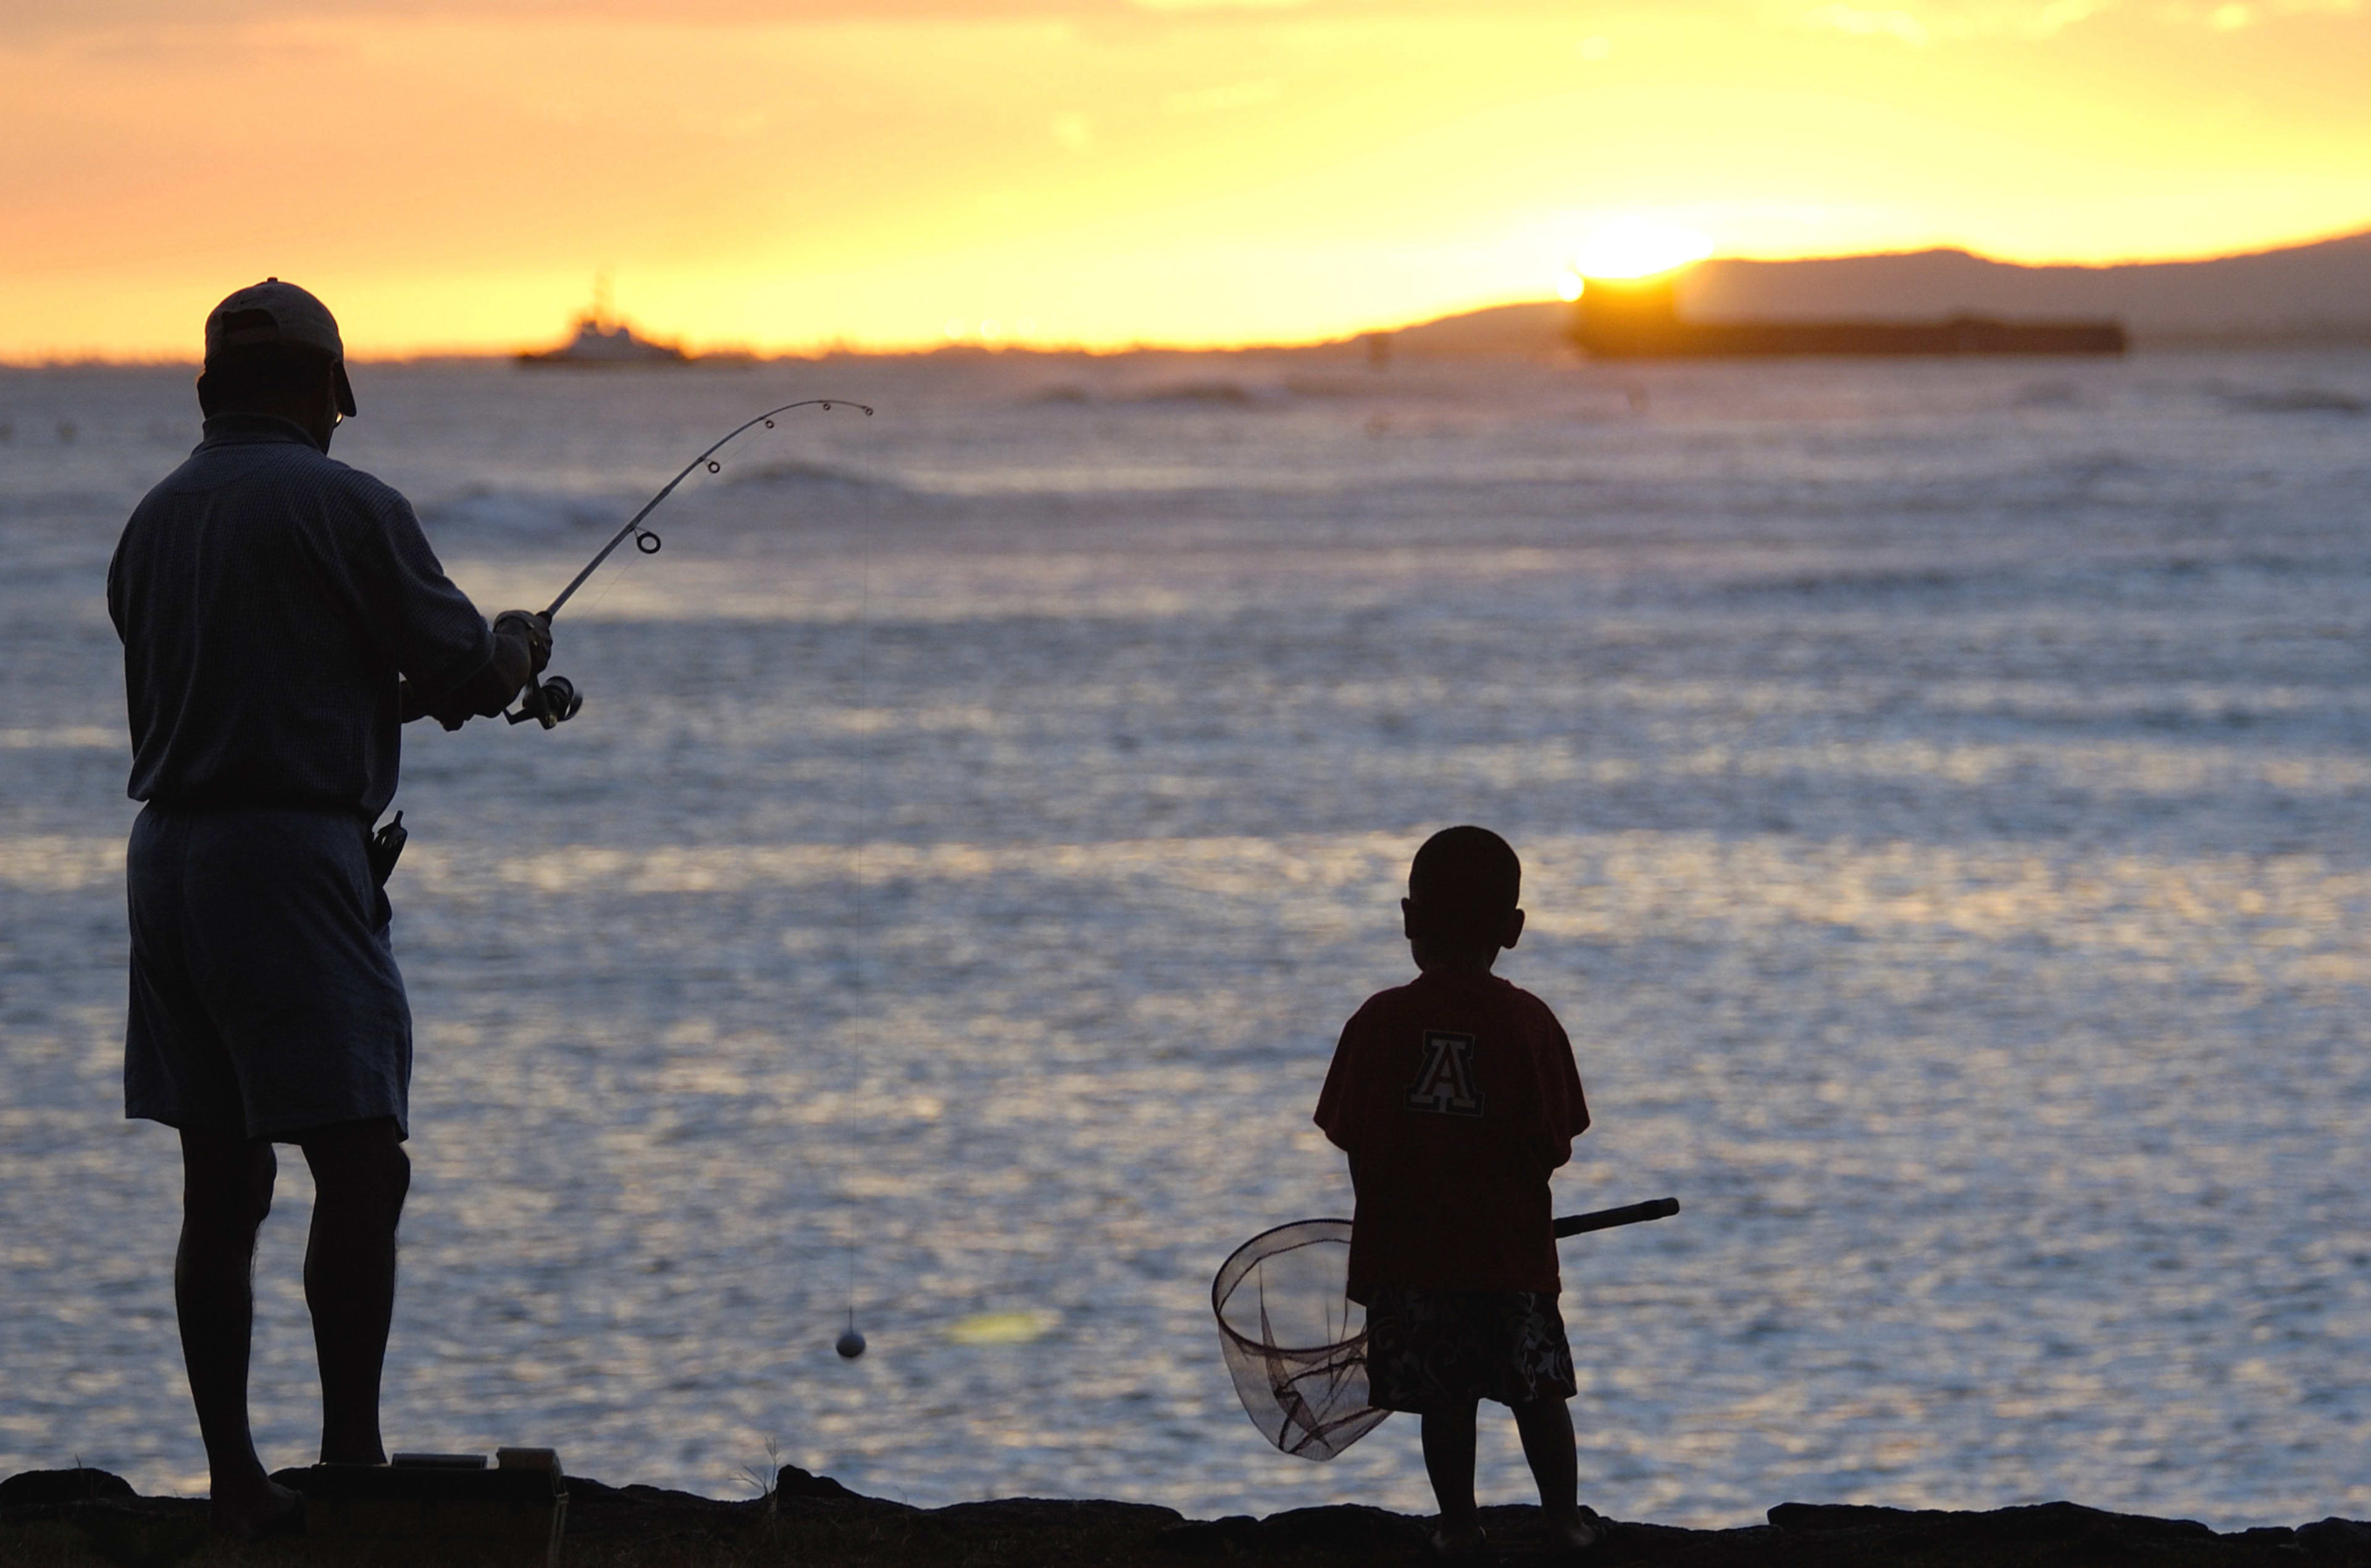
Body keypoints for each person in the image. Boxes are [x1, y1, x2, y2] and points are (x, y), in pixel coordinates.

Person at [107, 280, 553, 1538]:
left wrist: (405, 695)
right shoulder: (349, 506)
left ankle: (237, 1477)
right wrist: (513, 651)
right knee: (362, 1161)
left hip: (170, 857)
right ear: (322, 392)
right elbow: (463, 664)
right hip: (291, 862)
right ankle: (352, 1455)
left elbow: (281, 692)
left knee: (221, 1180)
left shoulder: (152, 522)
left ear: (207, 390)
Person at [1313, 826, 1599, 1561]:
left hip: (1412, 1259)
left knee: (1444, 1399)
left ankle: (1460, 1523)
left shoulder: (1378, 1021)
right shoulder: (1531, 1022)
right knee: (1538, 1390)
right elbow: (1554, 1143)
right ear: (1513, 928)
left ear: (1410, 918)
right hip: (1511, 1259)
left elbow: (1355, 1139)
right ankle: (1565, 1520)